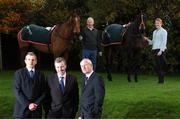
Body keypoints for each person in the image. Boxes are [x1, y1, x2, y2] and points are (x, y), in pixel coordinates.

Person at [13, 52, 46, 118]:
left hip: (36, 110)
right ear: (25, 61)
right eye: (29, 59)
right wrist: (28, 104)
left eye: (33, 60)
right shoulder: (19, 73)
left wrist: (36, 104)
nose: (31, 62)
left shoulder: (40, 75)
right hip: (21, 110)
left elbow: (43, 92)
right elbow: (17, 91)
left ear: (36, 61)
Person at [144, 18, 168, 84]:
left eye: (158, 23)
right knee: (157, 66)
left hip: (161, 50)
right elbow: (153, 42)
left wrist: (161, 51)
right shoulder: (154, 32)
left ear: (161, 23)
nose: (156, 24)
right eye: (155, 23)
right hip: (154, 50)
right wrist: (147, 40)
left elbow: (164, 42)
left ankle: (161, 81)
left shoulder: (164, 31)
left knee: (161, 65)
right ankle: (160, 80)